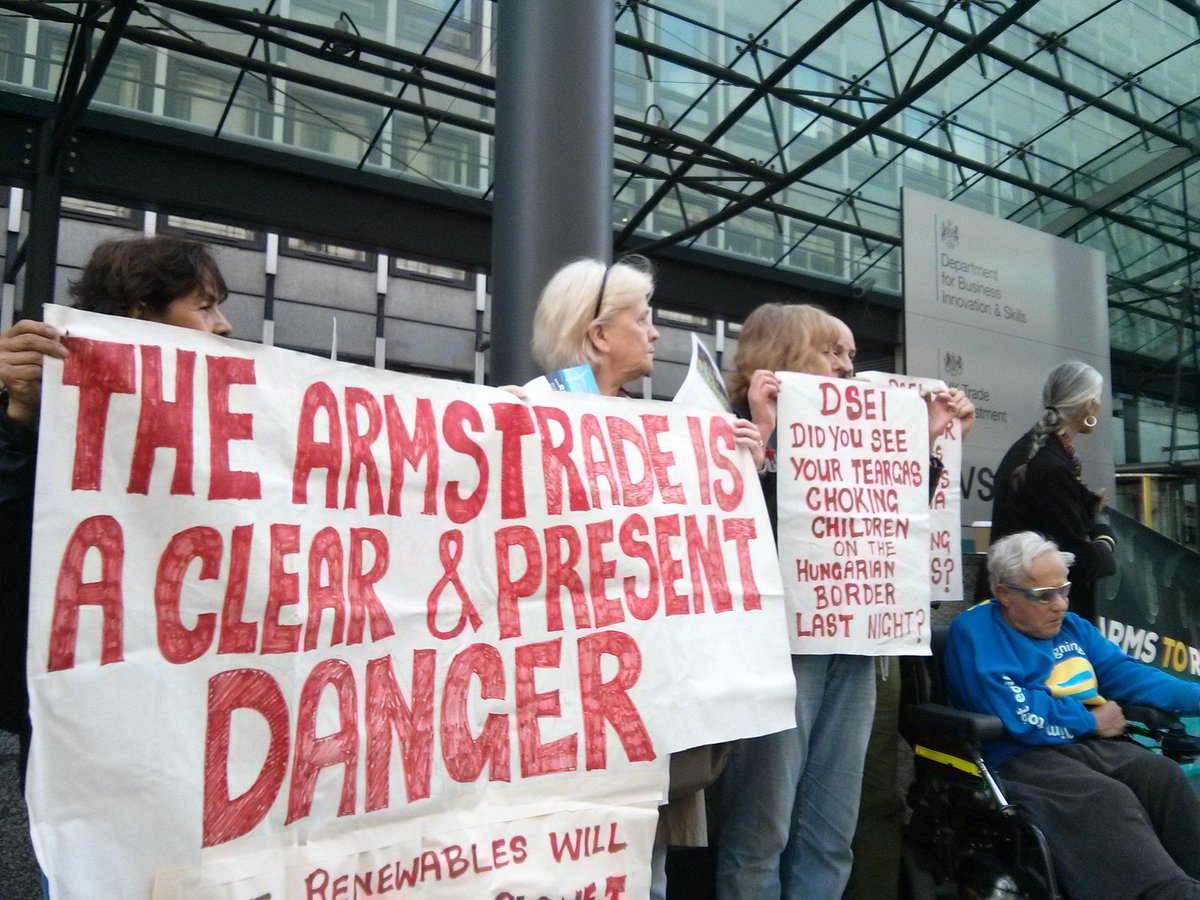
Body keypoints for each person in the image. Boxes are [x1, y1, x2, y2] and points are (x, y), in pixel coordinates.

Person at [530, 256, 765, 900]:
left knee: (646, 872)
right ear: (601, 334)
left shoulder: (665, 431)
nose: (656, 332)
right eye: (644, 318)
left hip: (643, 699)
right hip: (567, 702)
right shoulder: (526, 416)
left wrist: (735, 465)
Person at [0, 234, 232, 783]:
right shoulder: (36, 409)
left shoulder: (233, 423)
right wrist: (20, 421)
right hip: (88, 720)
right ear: (139, 316)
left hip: (198, 705)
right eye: (204, 307)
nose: (223, 324)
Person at [945, 531, 1200, 899]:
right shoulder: (975, 632)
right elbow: (1015, 711)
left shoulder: (1072, 627)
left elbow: (1126, 672)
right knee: (1105, 797)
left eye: (1063, 590)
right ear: (1004, 594)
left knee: (1161, 774)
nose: (1060, 604)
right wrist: (1090, 721)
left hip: (1086, 743)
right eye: (1044, 595)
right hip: (1020, 754)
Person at [836, 315, 976, 900]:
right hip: (819, 648)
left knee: (867, 797)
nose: (846, 365)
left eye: (849, 353)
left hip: (877, 641)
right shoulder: (762, 431)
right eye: (833, 352)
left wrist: (931, 437)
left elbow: (895, 511)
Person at [974, 361, 1116, 623]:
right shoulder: (1051, 465)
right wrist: (1105, 538)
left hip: (1013, 604)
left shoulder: (1034, 451)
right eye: (1098, 400)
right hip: (1028, 614)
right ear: (1088, 406)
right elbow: (1078, 557)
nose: (1100, 407)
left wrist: (1085, 505)